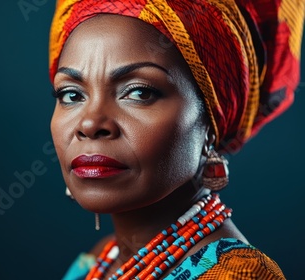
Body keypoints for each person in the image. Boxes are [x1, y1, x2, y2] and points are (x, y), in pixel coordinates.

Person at [47, 0, 304, 279]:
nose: (90, 124)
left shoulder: (238, 275)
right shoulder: (100, 259)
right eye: (71, 95)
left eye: (139, 93)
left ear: (210, 122)